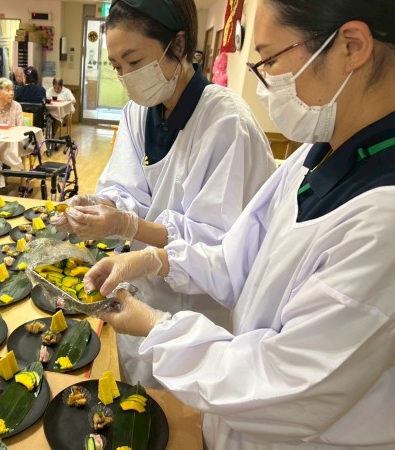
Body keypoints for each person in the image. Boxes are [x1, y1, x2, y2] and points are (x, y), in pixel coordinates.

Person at [84, 1, 395, 448]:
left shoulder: (382, 220)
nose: (264, 82)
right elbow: (236, 260)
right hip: (230, 409)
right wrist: (156, 261)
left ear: (351, 47)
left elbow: (288, 388)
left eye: (269, 60)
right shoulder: (312, 157)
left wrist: (157, 327)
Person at [50, 0, 276, 389]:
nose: (126, 77)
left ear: (178, 45)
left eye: (134, 61)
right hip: (141, 288)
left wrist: (127, 225)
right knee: (137, 397)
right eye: (116, 66)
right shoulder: (139, 111)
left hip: (199, 310)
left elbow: (216, 246)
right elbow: (126, 187)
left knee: (182, 408)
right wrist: (100, 208)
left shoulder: (227, 124)